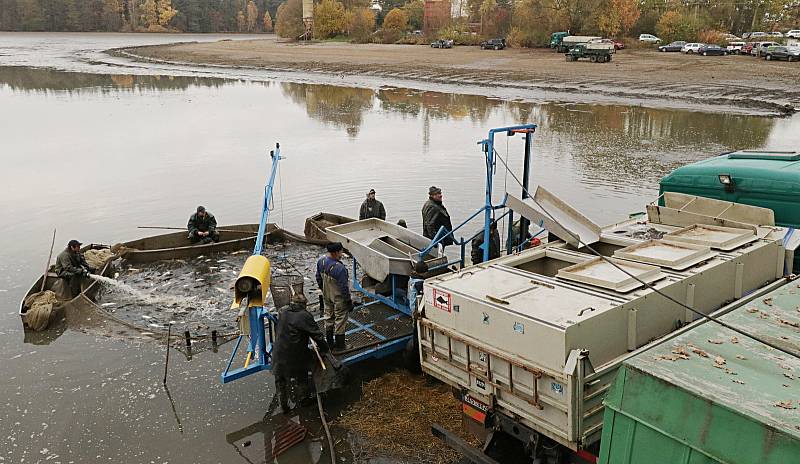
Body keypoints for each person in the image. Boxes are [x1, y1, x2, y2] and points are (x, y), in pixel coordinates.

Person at [271, 294, 330, 414]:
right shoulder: (304, 316)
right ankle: (304, 400)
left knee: (280, 379)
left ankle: (284, 406)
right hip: (295, 354)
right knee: (301, 376)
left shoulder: (282, 311)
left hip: (278, 352)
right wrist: (325, 349)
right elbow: (317, 335)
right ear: (304, 305)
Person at [315, 242, 354, 352]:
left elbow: (318, 277)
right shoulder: (340, 268)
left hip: (327, 295)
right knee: (340, 319)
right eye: (341, 251)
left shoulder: (321, 261)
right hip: (338, 298)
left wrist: (323, 290)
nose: (342, 253)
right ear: (337, 252)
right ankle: (340, 346)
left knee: (328, 317)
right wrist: (348, 302)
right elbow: (344, 288)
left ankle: (330, 343)